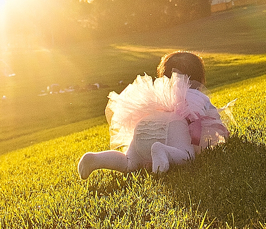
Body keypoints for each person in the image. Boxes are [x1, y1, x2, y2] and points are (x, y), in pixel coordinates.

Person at [77, 51, 231, 178]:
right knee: (186, 155)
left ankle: (95, 159)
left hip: (144, 125)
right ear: (198, 77)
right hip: (174, 126)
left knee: (129, 162)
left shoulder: (158, 92)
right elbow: (214, 119)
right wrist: (224, 133)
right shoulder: (196, 95)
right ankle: (162, 151)